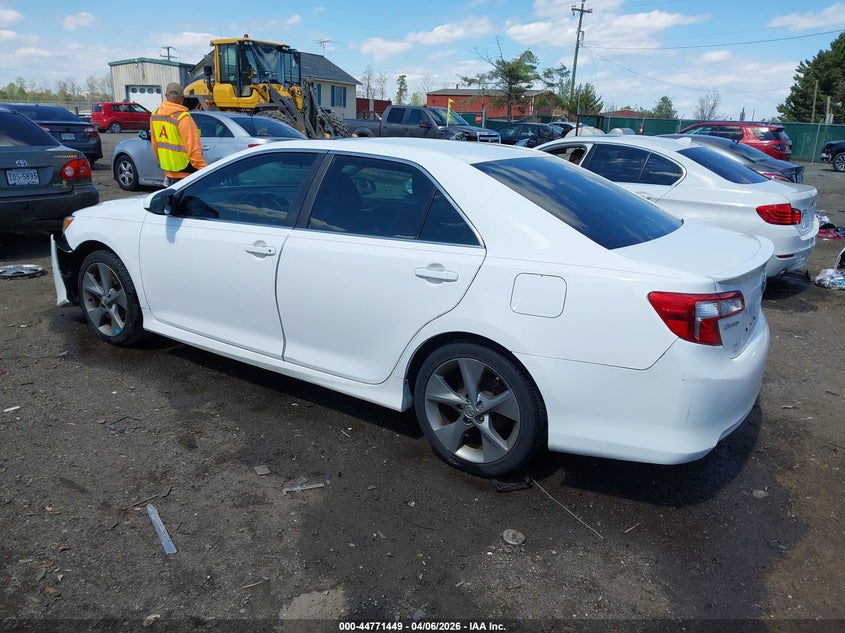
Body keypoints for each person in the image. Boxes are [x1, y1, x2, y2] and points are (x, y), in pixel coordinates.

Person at [150, 82, 207, 185]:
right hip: (186, 173)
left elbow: (155, 145)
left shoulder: (155, 115)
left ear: (166, 96)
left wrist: (164, 165)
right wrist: (204, 170)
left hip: (169, 172)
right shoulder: (183, 118)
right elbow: (193, 149)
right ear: (182, 98)